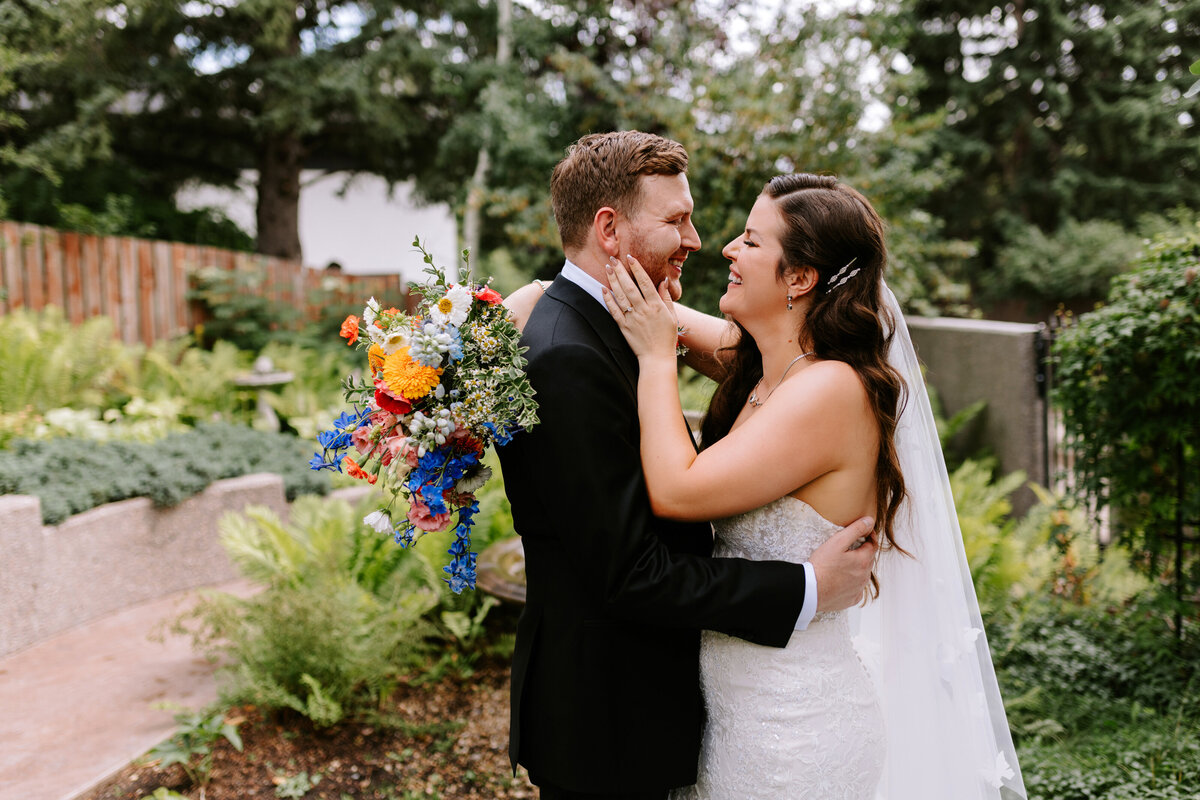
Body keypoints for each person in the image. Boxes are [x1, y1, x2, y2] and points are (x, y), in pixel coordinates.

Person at [601, 172, 1027, 799]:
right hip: (735, 716)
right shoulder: (770, 368)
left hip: (793, 733)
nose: (727, 251)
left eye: (750, 240)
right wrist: (543, 296)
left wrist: (657, 357)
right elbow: (668, 320)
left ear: (799, 279)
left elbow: (677, 491)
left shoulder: (829, 390)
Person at [496, 132, 880, 800]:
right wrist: (806, 588)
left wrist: (546, 293)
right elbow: (629, 574)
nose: (704, 240)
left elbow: (729, 348)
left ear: (802, 278)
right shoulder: (569, 356)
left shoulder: (773, 367)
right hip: (609, 727)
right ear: (609, 229)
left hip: (733, 717)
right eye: (677, 220)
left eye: (748, 240)